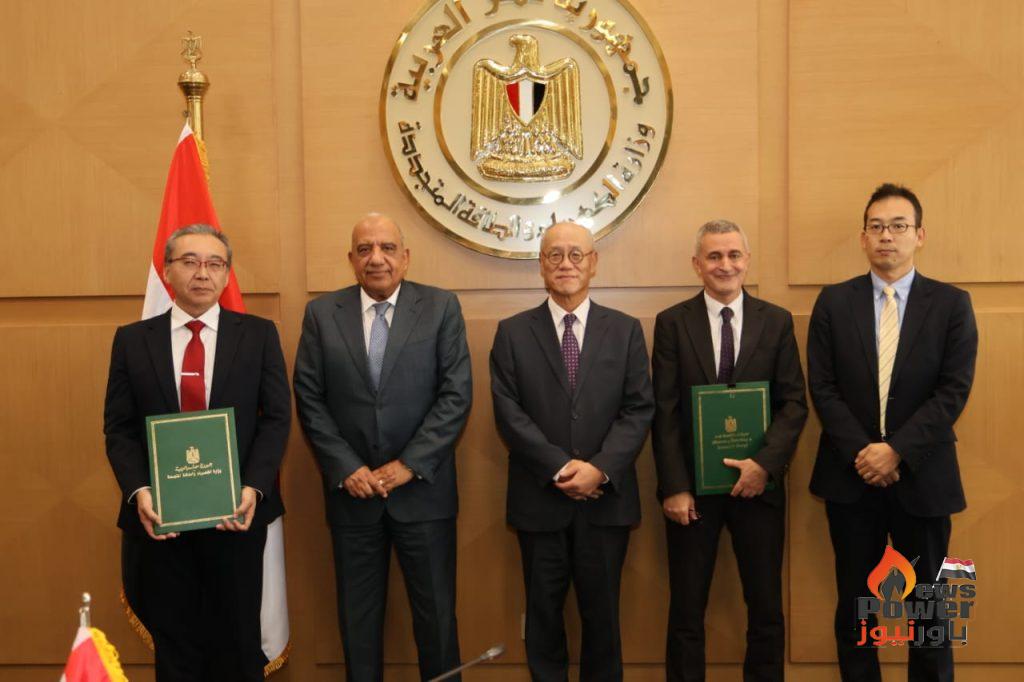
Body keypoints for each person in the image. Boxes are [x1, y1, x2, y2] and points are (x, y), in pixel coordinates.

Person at [103, 224, 291, 681]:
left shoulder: (259, 335)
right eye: (189, 261)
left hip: (237, 517)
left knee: (238, 645)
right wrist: (140, 491)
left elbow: (276, 419)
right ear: (167, 271)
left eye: (214, 263)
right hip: (161, 523)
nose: (202, 273)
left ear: (226, 275)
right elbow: (119, 428)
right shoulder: (132, 340)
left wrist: (253, 487)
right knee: (176, 648)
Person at [807, 183, 978, 681]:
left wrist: (896, 451)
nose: (887, 236)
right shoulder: (833, 302)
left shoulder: (951, 304)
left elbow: (953, 390)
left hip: (923, 477)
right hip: (850, 477)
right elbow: (823, 386)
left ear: (919, 235)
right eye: (877, 227)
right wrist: (865, 453)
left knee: (929, 611)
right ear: (863, 237)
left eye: (898, 226)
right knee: (856, 609)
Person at [293, 213, 472, 680]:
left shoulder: (441, 307)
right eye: (365, 249)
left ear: (405, 257)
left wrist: (409, 464)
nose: (376, 258)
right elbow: (309, 397)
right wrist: (345, 467)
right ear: (351, 259)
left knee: (437, 624)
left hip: (424, 495)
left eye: (387, 248)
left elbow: (456, 395)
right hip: (353, 497)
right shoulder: (321, 314)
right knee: (358, 626)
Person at [489, 221, 654, 681]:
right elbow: (509, 414)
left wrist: (599, 470)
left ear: (593, 263)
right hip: (540, 501)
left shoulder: (625, 330)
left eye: (576, 254)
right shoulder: (512, 333)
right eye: (555, 255)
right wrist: (561, 467)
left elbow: (639, 409)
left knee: (603, 622)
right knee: (542, 620)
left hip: (606, 503)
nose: (566, 264)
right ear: (541, 265)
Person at [651, 219, 807, 681]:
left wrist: (764, 466)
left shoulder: (776, 321)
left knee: (766, 609)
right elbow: (663, 411)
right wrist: (675, 487)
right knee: (686, 611)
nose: (725, 265)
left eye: (734, 255)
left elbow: (794, 403)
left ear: (747, 261)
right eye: (714, 256)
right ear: (697, 264)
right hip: (692, 493)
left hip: (758, 487)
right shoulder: (672, 323)